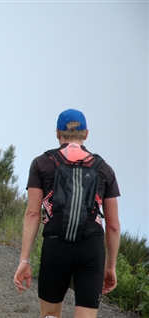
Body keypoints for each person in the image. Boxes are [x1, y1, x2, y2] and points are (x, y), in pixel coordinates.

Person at [13, 109, 121, 318]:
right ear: (86, 134)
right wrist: (110, 267)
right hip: (91, 248)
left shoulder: (42, 164)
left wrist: (24, 261)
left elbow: (33, 214)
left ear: (57, 133)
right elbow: (114, 225)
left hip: (56, 245)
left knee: (50, 314)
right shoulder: (103, 168)